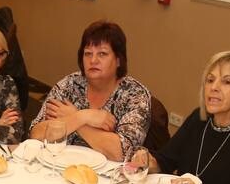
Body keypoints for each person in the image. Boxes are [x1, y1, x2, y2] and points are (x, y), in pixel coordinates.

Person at [140, 51, 230, 184]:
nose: (214, 87)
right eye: (210, 80)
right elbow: (165, 161)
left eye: (227, 82)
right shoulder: (198, 120)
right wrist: (147, 162)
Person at [29, 19, 150, 161]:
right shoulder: (69, 85)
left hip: (108, 177)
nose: (93, 60)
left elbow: (121, 153)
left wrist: (74, 119)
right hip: (60, 166)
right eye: (88, 53)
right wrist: (83, 117)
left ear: (118, 60)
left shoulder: (135, 94)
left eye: (102, 54)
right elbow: (36, 134)